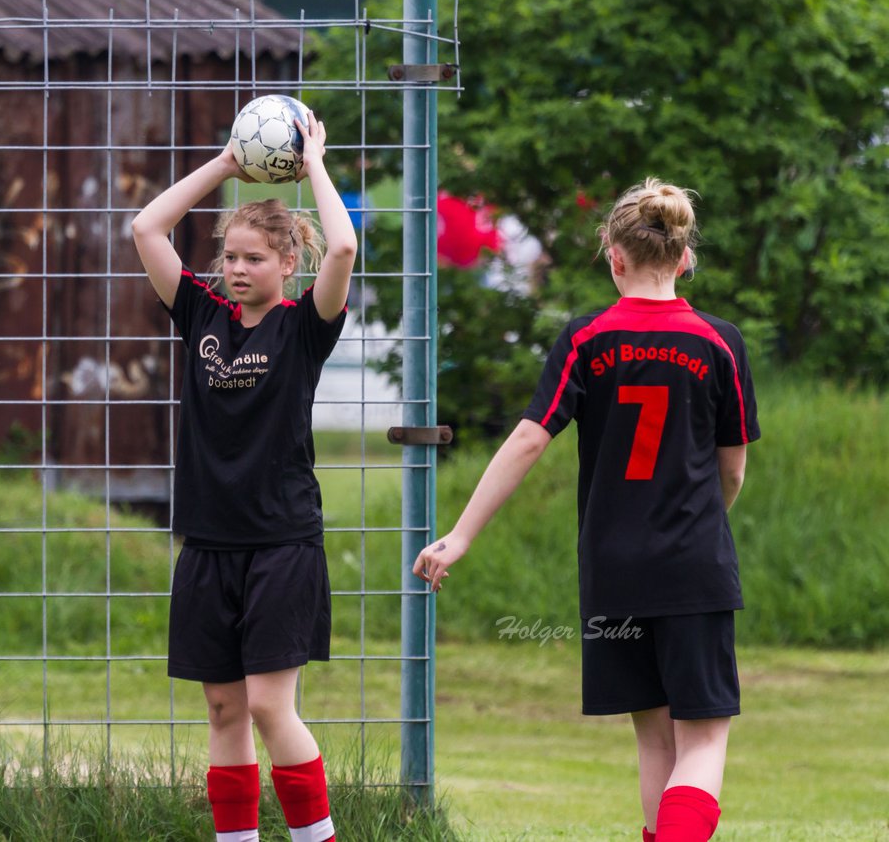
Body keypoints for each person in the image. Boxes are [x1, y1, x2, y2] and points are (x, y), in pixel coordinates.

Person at [414, 178, 760, 842]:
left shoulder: (586, 337)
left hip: (611, 572)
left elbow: (528, 438)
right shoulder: (721, 342)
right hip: (693, 564)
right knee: (703, 743)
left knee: (655, 741)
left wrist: (459, 535)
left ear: (614, 255)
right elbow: (733, 466)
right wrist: (708, 522)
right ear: (683, 257)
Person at [131, 109, 356, 842]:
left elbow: (345, 244)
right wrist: (228, 163)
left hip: (282, 543)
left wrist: (313, 160)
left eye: (253, 258)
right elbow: (145, 229)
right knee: (224, 711)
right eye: (229, 256)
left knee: (267, 706)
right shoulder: (199, 311)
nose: (235, 268)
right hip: (207, 544)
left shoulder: (303, 328)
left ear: (286, 265)